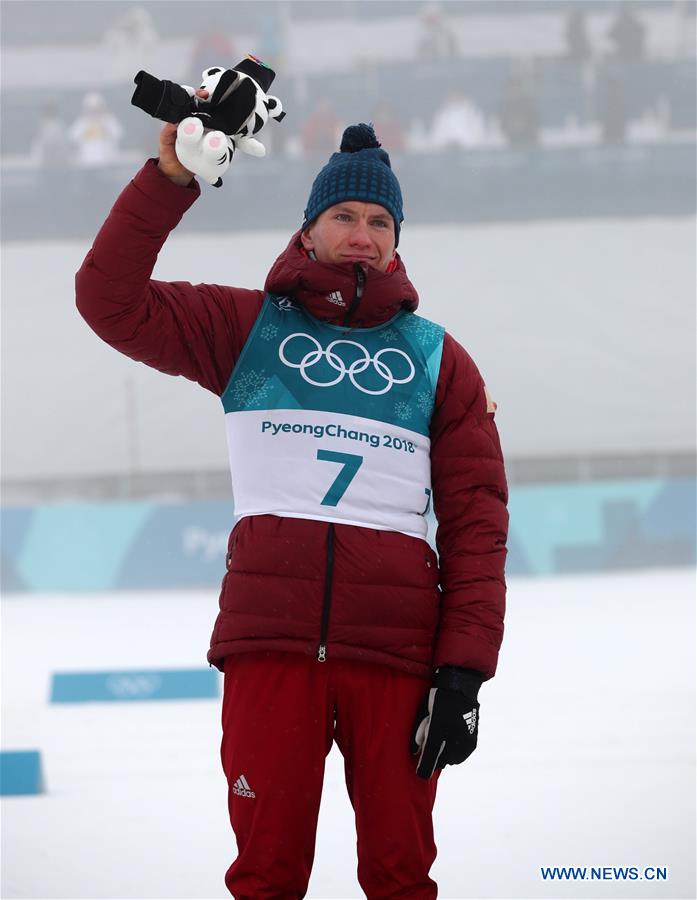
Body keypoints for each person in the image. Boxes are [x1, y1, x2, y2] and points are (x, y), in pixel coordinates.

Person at [75, 103, 508, 897]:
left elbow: (477, 524)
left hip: (397, 658)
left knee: (400, 876)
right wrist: (173, 180)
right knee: (266, 875)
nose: (361, 234)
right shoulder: (244, 329)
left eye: (380, 220)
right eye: (342, 214)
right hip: (270, 648)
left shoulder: (441, 362)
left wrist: (463, 673)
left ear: (398, 240)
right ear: (306, 230)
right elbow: (108, 299)